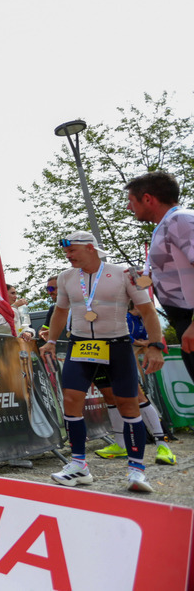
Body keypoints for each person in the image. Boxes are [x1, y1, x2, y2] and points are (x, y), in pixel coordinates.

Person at [39, 230, 164, 493]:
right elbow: (61, 311)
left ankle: (137, 469)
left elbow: (147, 311)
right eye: (66, 251)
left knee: (128, 404)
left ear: (90, 248)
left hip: (117, 345)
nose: (67, 255)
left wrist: (155, 345)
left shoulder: (125, 273)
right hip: (80, 344)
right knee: (71, 399)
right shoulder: (65, 277)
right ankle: (79, 465)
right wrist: (51, 340)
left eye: (72, 250)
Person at [125, 170, 194, 382]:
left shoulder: (179, 219)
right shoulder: (166, 225)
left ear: (147, 199)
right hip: (183, 321)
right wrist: (146, 278)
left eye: (131, 201)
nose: (128, 207)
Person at [92, 303, 177, 465]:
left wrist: (149, 345)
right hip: (94, 350)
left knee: (138, 397)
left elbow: (141, 332)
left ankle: (162, 446)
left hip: (119, 351)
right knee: (110, 398)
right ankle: (120, 445)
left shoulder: (131, 314)